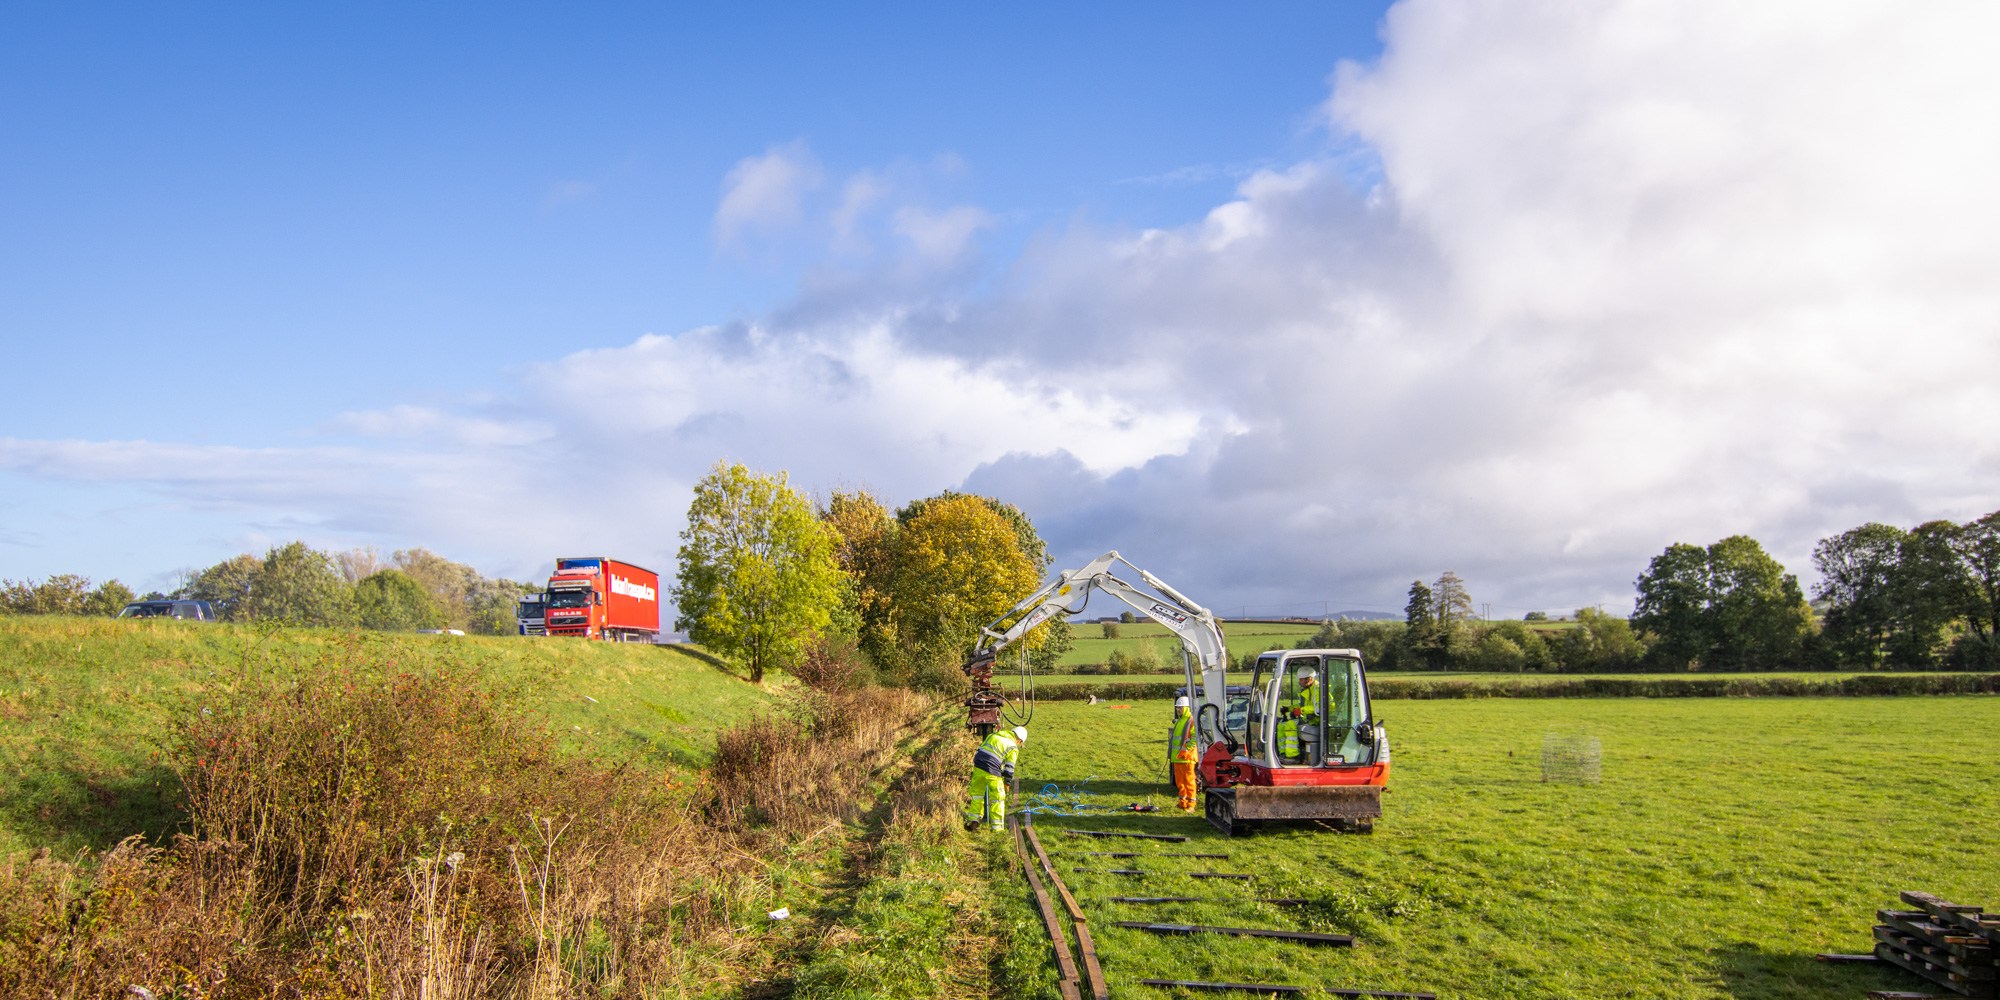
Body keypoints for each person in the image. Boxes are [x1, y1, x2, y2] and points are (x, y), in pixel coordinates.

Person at [964, 725, 1026, 832]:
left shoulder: (993, 736)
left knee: (977, 796)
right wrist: (1007, 784)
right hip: (992, 770)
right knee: (998, 799)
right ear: (1019, 740)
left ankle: (973, 823)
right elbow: (1009, 769)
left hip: (978, 766)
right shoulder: (1012, 747)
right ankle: (997, 830)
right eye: (1020, 743)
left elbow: (980, 750)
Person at [1167, 696, 1200, 810]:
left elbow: (1195, 739)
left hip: (1187, 757)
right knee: (1180, 782)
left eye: (1180, 708)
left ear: (1186, 708)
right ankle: (1182, 802)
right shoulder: (1180, 721)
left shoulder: (1191, 721)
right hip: (1178, 757)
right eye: (1177, 708)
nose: (1178, 710)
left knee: (1189, 780)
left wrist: (1185, 751)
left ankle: (1191, 804)